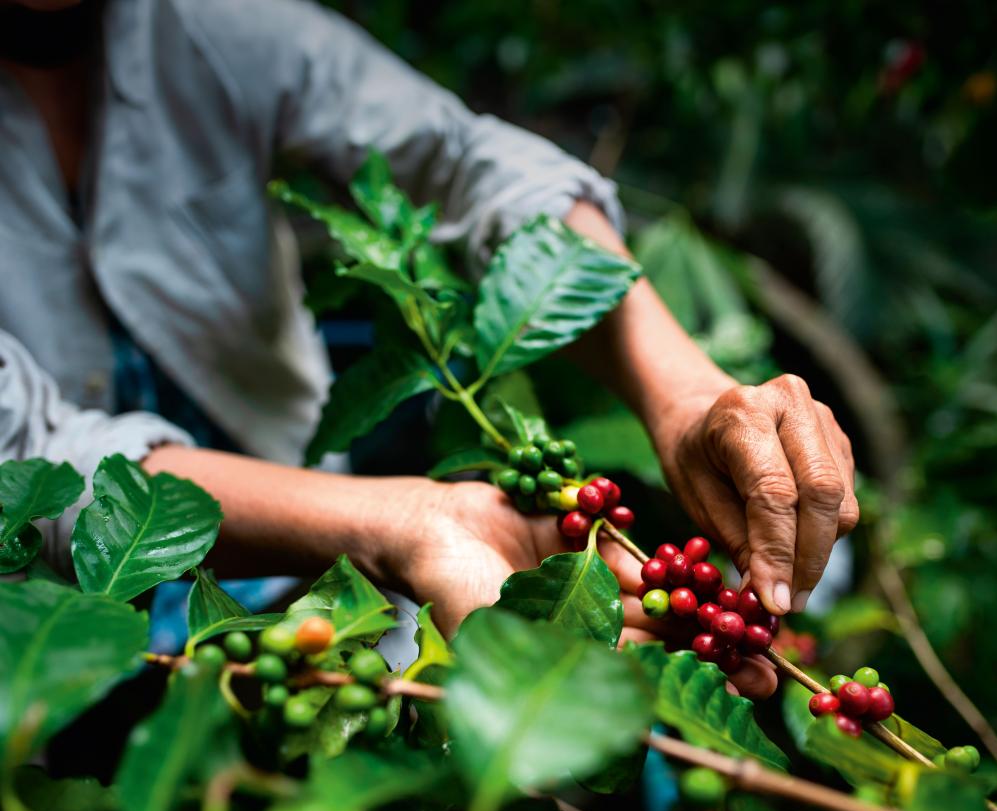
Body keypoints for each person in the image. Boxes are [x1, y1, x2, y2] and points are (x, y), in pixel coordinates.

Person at [0, 0, 858, 697]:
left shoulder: (209, 25)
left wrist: (681, 391)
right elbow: (27, 456)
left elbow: (466, 164)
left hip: (317, 578)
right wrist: (404, 522)